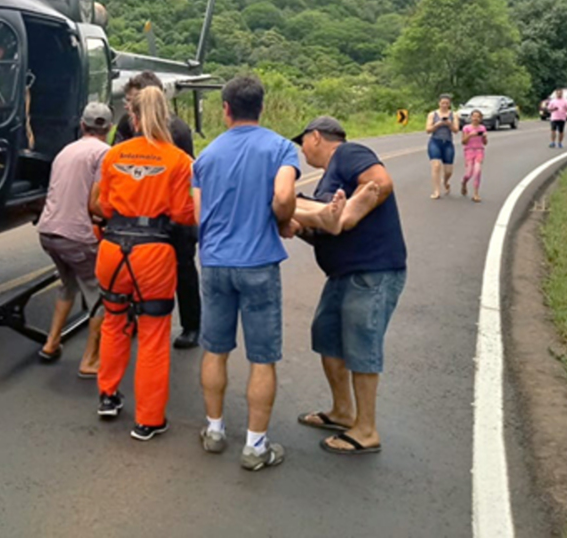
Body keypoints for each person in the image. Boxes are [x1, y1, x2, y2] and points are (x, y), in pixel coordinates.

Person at [191, 76, 298, 471]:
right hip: (258, 263)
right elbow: (285, 196)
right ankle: (255, 446)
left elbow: (198, 215)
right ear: (262, 107)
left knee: (215, 349)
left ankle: (215, 430)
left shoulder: (207, 156)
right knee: (262, 358)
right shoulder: (280, 148)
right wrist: (282, 220)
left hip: (216, 263)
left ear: (226, 109)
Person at [286, 116, 407, 456]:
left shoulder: (349, 153)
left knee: (361, 345)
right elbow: (328, 228)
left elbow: (380, 183)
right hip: (342, 273)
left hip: (373, 269)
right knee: (327, 338)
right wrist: (306, 227)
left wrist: (347, 215)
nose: (303, 150)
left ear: (314, 137)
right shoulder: (329, 180)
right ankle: (342, 412)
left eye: (303, 143)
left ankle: (366, 429)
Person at [90, 86, 195, 441]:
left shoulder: (114, 155)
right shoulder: (179, 160)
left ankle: (107, 396)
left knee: (114, 322)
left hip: (112, 249)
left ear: (132, 117)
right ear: (165, 115)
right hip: (153, 253)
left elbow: (104, 206)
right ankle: (148, 420)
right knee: (153, 334)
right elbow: (183, 213)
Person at [114, 71, 201, 349]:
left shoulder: (179, 131)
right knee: (136, 271)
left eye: (133, 102)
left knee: (184, 271)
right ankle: (135, 317)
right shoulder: (127, 126)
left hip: (175, 218)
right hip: (142, 216)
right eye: (127, 102)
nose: (128, 108)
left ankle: (191, 325)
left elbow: (190, 177)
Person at [35, 102, 113, 376]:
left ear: (82, 125)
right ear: (110, 128)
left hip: (48, 232)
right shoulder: (105, 153)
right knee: (101, 294)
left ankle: (51, 342)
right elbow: (95, 203)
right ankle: (90, 360)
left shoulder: (65, 151)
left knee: (68, 285)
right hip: (76, 235)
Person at [425, 94, 459, 199]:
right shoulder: (433, 114)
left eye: (447, 103)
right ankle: (436, 191)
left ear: (449, 104)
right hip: (435, 142)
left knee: (448, 171)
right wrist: (437, 124)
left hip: (448, 143)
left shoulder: (454, 115)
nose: (444, 105)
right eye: (442, 103)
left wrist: (449, 123)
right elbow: (428, 130)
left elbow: (456, 130)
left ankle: (445, 181)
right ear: (439, 103)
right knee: (436, 166)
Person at [460, 109, 488, 202]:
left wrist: (484, 137)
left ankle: (476, 193)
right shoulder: (466, 128)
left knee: (477, 170)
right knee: (468, 173)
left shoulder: (482, 128)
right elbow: (463, 142)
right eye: (474, 116)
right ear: (471, 117)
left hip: (479, 150)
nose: (475, 118)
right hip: (469, 151)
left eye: (478, 117)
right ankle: (464, 182)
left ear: (480, 118)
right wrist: (470, 135)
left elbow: (485, 143)